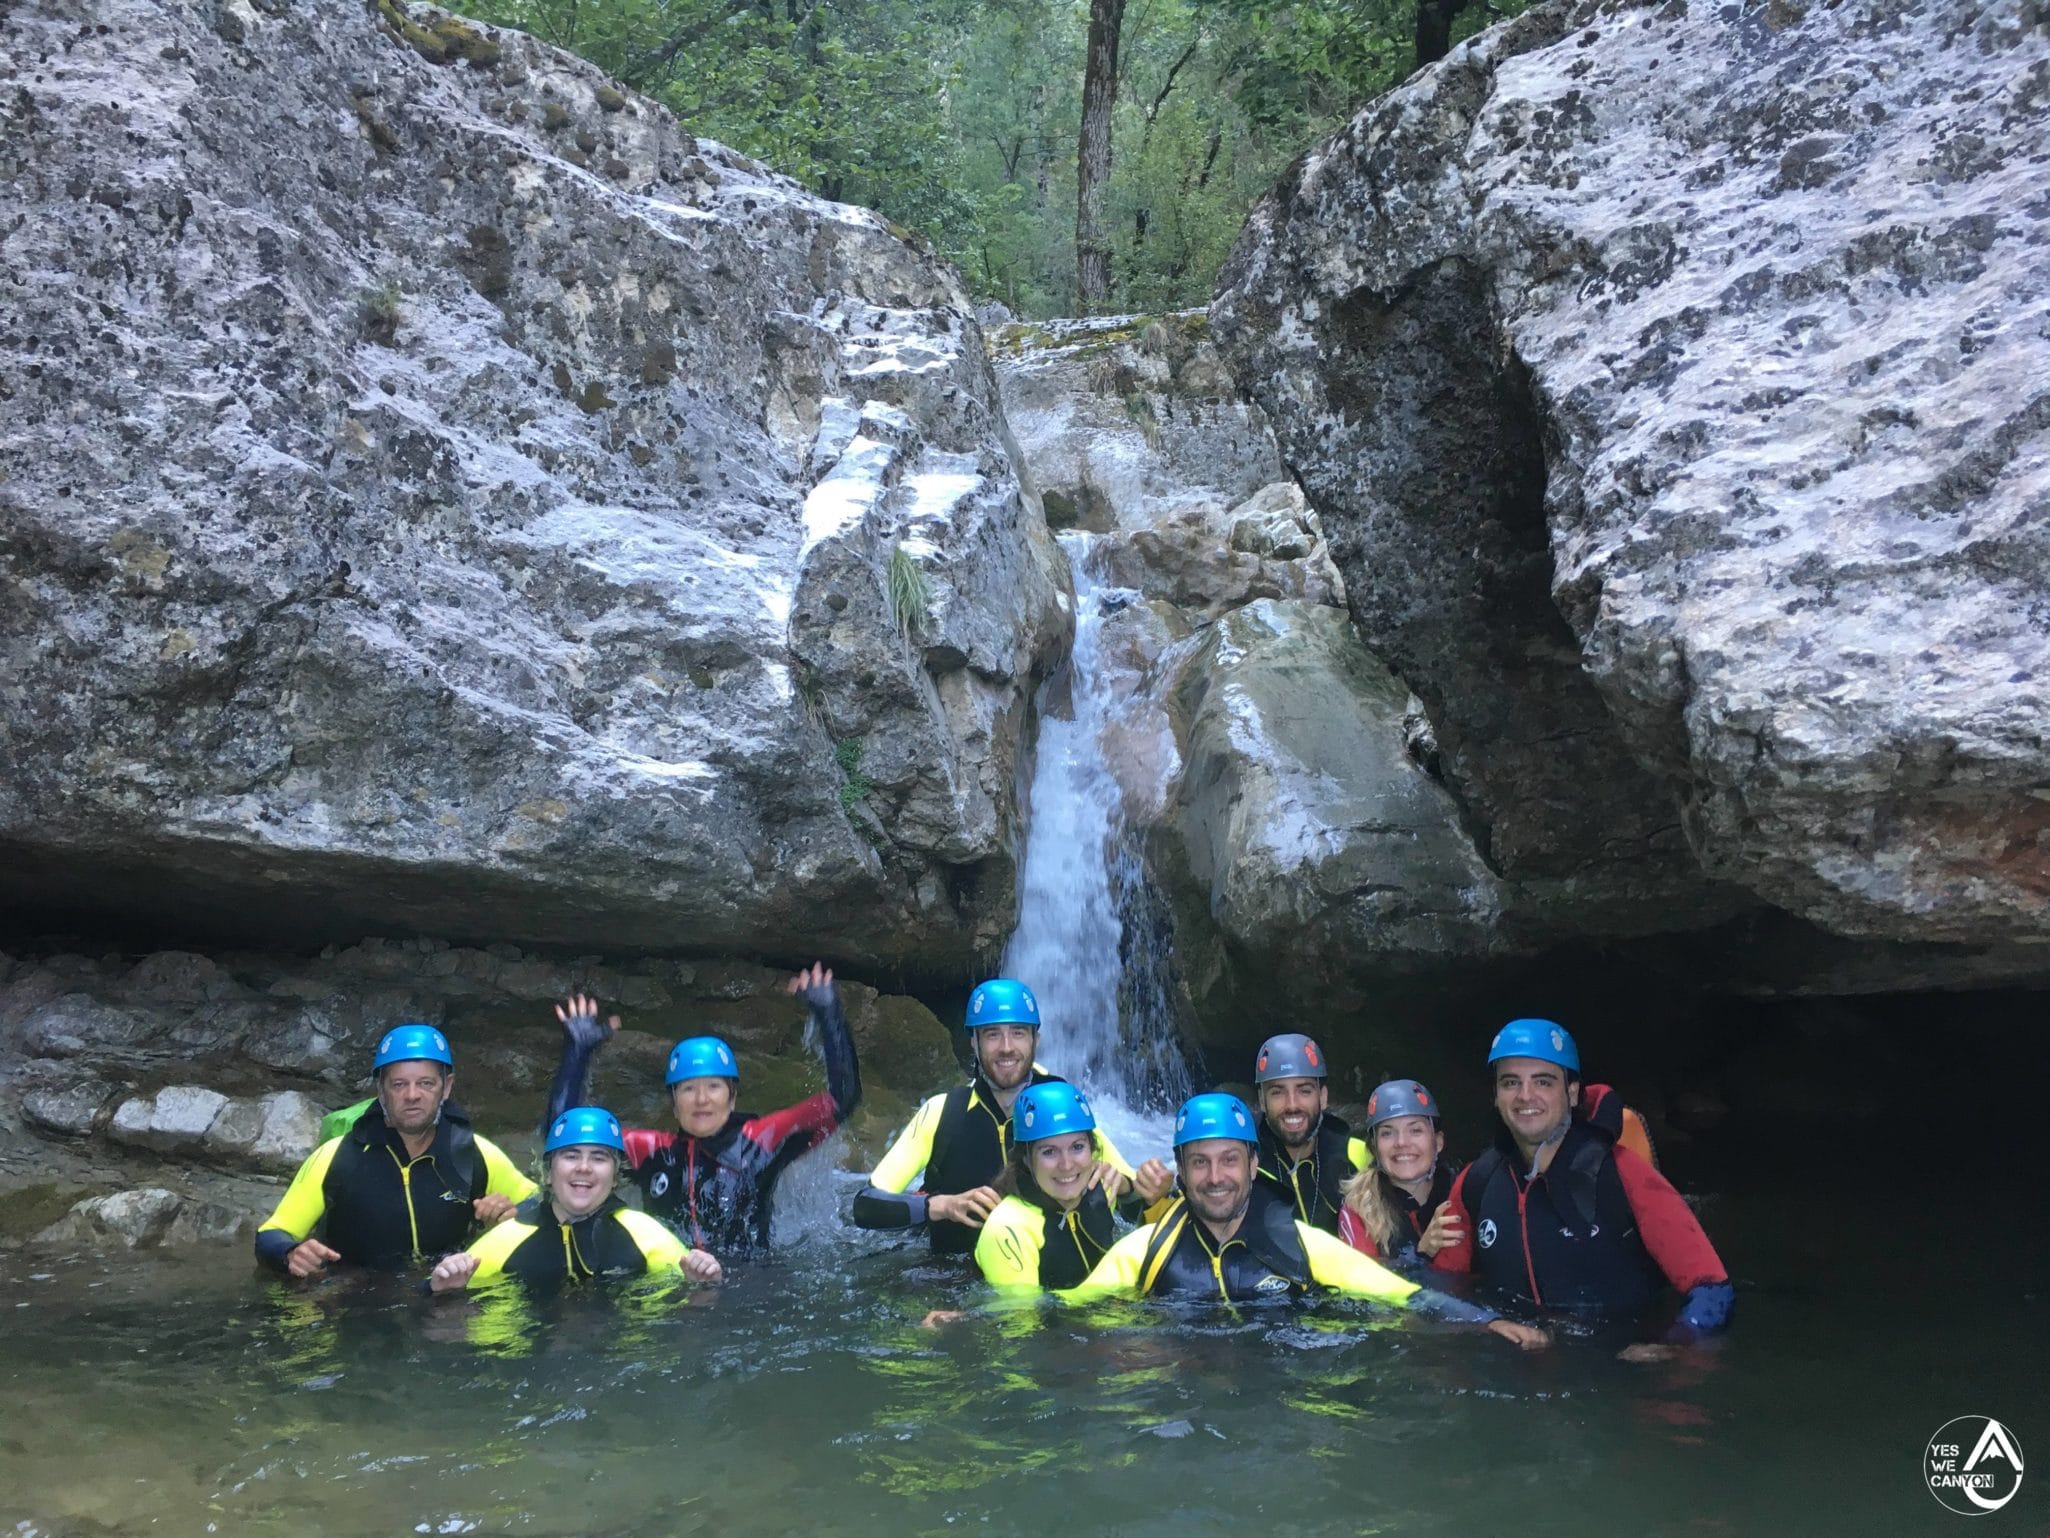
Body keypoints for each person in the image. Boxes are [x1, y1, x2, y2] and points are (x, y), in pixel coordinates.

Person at [1060, 1093, 1547, 1349]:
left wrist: (1487, 1321)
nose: (1216, 1177)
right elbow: (1061, 1314)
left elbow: (1399, 1293)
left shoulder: (1300, 1246)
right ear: (1181, 1172)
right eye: (1200, 1163)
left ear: (1253, 1166)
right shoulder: (1144, 1250)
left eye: (1229, 1160)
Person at [1430, 1019, 1733, 1342]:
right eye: (1510, 1083)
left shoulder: (1625, 1174)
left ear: (1572, 1093)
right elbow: (1441, 1291)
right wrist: (1486, 1322)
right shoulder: (1476, 1182)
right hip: (1512, 1368)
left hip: (1619, 1367)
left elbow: (1713, 1290)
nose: (1525, 1096)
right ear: (1496, 1095)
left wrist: (1670, 1347)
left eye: (1543, 1082)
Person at [541, 962, 859, 1255]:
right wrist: (577, 1053)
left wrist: (829, 1014)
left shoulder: (762, 1140)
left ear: (732, 1098)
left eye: (714, 1087)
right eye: (689, 1089)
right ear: (675, 1103)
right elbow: (561, 1138)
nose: (702, 1099)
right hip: (671, 1283)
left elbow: (842, 1100)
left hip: (749, 1286)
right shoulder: (652, 1151)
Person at [854, 978, 1171, 1254]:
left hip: (1052, 1284)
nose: (1006, 1047)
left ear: (1036, 1040)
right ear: (974, 1043)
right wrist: (939, 1205)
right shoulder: (942, 1113)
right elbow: (865, 1205)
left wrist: (1144, 1190)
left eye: (1018, 1033)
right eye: (992, 1034)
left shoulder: (1062, 1103)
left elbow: (1131, 1201)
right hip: (955, 1287)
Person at [255, 1024, 535, 1276]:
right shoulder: (336, 1157)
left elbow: (544, 1203)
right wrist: (290, 1253)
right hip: (353, 1300)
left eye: (426, 1083)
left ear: (446, 1087)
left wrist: (509, 1215)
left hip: (444, 1298)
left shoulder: (476, 1154)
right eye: (399, 1084)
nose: (412, 1095)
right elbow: (272, 1233)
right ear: (381, 1090)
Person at [428, 1107, 724, 1291]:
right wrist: (445, 1291)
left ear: (615, 1176)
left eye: (598, 1158)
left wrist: (702, 1286)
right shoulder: (507, 1240)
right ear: (547, 1174)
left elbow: (684, 1328)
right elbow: (449, 1328)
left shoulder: (645, 1236)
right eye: (571, 1156)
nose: (584, 1167)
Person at [974, 1082, 1153, 1290]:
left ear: (1093, 1149)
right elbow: (1023, 1318)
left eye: (1077, 1147)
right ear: (1026, 1159)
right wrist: (1118, 1268)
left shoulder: (1098, 1188)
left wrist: (1127, 1189)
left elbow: (1148, 1212)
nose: (1067, 1165)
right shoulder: (1008, 1228)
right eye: (1049, 1152)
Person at [1252, 1032, 1367, 1232]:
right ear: (1262, 1100)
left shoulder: (1357, 1157)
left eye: (1304, 1091)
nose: (1292, 1105)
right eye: (1277, 1092)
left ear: (1323, 1097)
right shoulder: (1241, 1161)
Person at [1338, 1078, 1460, 1266]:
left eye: (1415, 1130)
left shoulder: (1464, 1193)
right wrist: (1421, 1254)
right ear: (1374, 1148)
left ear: (1438, 1142)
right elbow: (1361, 1290)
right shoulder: (1359, 1209)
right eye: (1387, 1133)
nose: (1401, 1142)